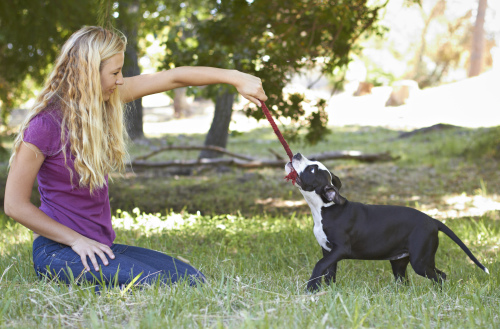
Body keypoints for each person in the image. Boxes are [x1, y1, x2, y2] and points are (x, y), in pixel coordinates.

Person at [4, 26, 267, 288]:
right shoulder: (44, 125)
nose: (120, 80)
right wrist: (76, 240)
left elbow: (173, 78)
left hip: (101, 247)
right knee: (157, 283)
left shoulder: (103, 101)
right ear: (88, 74)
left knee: (190, 279)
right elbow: (14, 204)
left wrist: (235, 77)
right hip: (57, 251)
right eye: (115, 73)